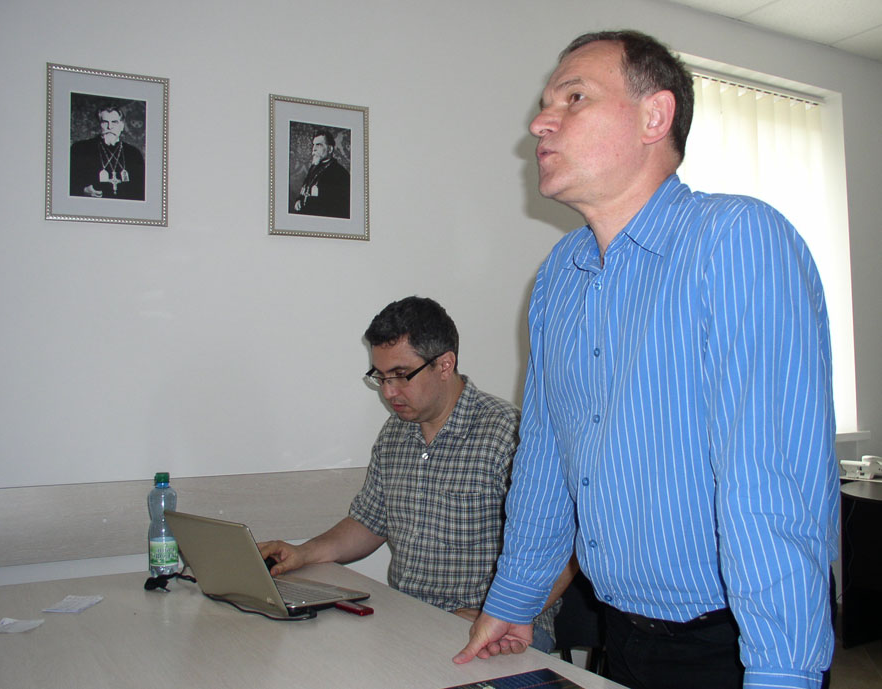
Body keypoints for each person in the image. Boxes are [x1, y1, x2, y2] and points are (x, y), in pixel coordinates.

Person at [453, 30, 838, 689]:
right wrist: (515, 600)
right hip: (623, 635)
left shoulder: (735, 240)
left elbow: (770, 480)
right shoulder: (560, 275)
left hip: (738, 645)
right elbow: (546, 455)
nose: (541, 122)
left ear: (654, 117)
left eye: (574, 98)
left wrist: (781, 673)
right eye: (545, 105)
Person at [258, 296, 567, 651]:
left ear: (445, 365)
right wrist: (303, 553)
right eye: (380, 377)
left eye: (401, 375)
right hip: (410, 621)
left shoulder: (509, 435)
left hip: (499, 627)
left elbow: (566, 546)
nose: (389, 392)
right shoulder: (395, 433)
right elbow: (369, 522)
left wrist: (502, 613)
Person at [69, 104, 145, 200]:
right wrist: (83, 190)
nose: (110, 127)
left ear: (122, 126)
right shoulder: (80, 149)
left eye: (114, 122)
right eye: (105, 122)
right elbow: (68, 185)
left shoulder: (134, 153)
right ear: (99, 125)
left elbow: (142, 190)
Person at [292, 129, 350, 218]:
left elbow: (338, 208)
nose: (313, 149)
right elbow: (306, 188)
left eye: (318, 145)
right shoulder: (314, 167)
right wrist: (299, 200)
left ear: (330, 149)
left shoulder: (340, 174)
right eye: (313, 145)